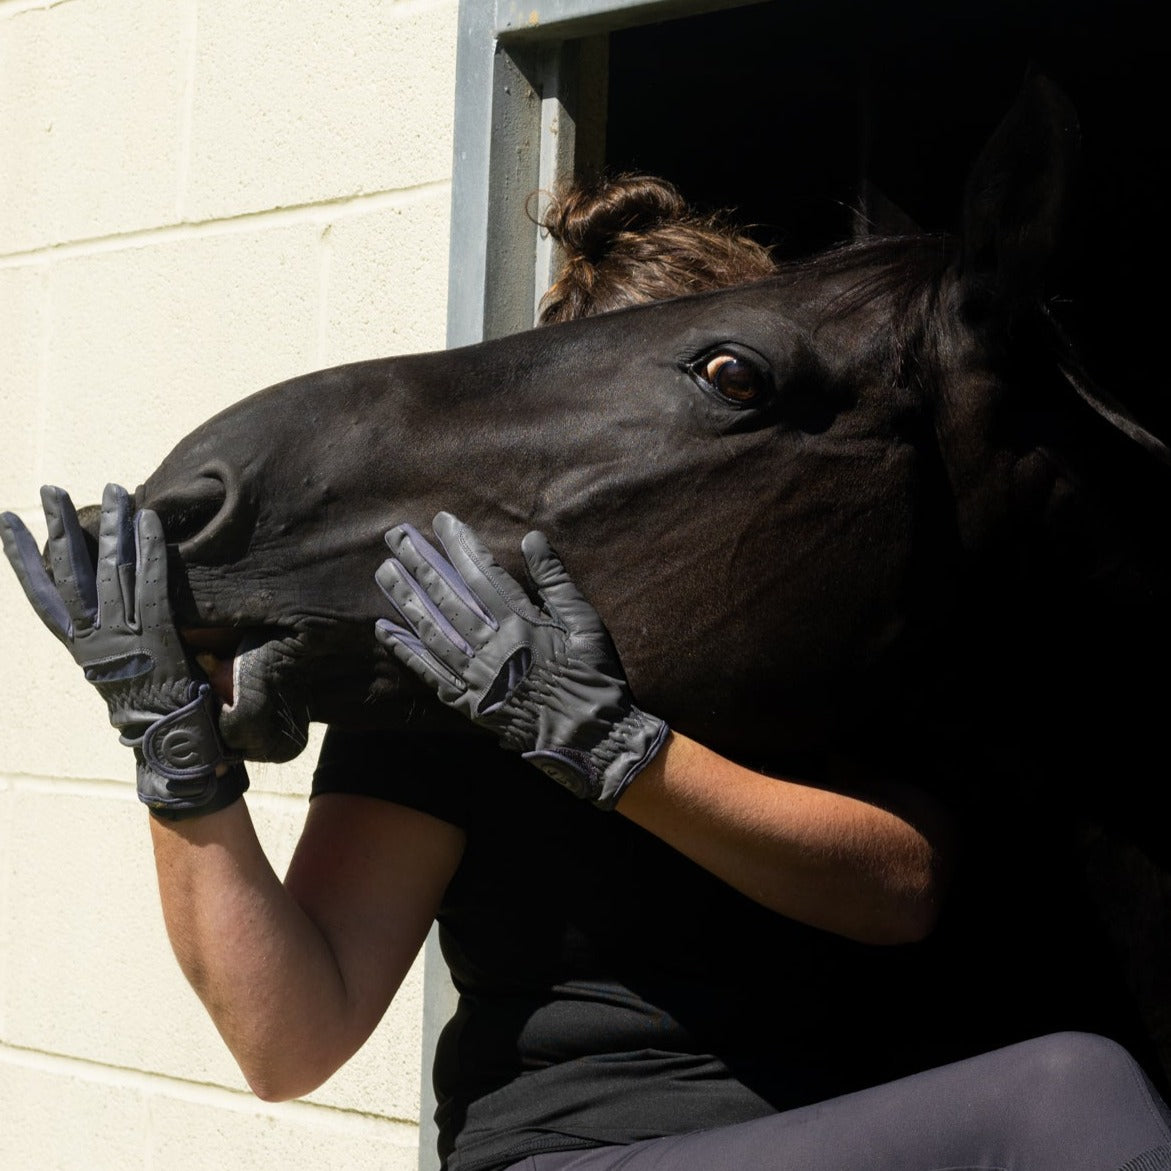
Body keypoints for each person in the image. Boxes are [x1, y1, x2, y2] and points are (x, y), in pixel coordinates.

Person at [2, 173, 1169, 1171]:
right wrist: (173, 757)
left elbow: (896, 891)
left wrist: (615, 749)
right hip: (581, 1152)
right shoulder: (448, 675)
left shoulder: (832, 651)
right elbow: (290, 1040)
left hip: (850, 1127)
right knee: (1066, 1099)